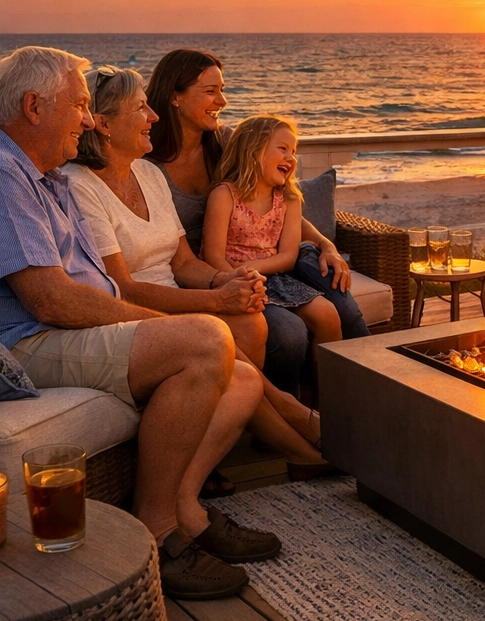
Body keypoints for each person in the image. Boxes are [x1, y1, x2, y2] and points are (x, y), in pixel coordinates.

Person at [0, 46, 282, 600]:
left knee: (245, 377)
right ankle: (156, 535)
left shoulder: (42, 177)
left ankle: (187, 512)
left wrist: (160, 324)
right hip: (19, 345)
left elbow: (87, 290)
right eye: (81, 106)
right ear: (35, 106)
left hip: (56, 332)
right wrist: (157, 324)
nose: (88, 120)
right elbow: (51, 301)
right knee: (206, 340)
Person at [64, 67, 332, 480]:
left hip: (178, 295)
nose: (153, 117)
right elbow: (124, 288)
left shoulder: (149, 174)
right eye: (141, 109)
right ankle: (296, 432)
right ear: (103, 124)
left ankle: (250, 437)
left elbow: (184, 262)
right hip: (135, 314)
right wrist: (213, 301)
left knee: (250, 320)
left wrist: (228, 281)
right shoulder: (79, 186)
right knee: (230, 341)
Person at [145, 49, 366, 395]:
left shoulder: (225, 142)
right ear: (175, 95)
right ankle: (287, 414)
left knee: (342, 308)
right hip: (207, 270)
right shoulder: (148, 164)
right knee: (290, 334)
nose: (222, 100)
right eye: (210, 91)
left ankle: (366, 393)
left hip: (262, 265)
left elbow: (278, 206)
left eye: (222, 89)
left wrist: (326, 244)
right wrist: (232, 277)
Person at [203, 116, 343, 372]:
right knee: (291, 333)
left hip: (275, 277)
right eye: (283, 149)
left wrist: (249, 267)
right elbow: (212, 256)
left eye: (294, 151)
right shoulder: (224, 196)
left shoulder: (288, 199)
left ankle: (326, 400)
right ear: (253, 151)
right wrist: (237, 277)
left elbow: (289, 256)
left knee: (328, 316)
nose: (291, 158)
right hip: (234, 281)